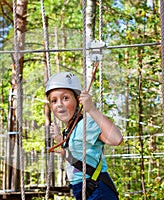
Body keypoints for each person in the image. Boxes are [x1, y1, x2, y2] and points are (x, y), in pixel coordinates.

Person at [45, 72, 123, 200]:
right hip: (83, 189)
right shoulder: (70, 129)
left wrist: (91, 109)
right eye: (54, 100)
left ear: (78, 100)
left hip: (97, 189)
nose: (59, 104)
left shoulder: (86, 124)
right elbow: (73, 158)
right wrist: (60, 139)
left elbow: (116, 139)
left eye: (65, 98)